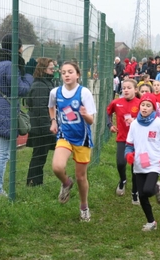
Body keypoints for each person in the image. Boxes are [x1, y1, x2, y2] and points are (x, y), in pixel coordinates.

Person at [48, 61, 96, 222]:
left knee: (81, 177)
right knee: (57, 167)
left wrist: (85, 115)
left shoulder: (84, 93)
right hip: (65, 135)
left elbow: (91, 121)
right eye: (63, 72)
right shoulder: (55, 92)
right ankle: (66, 183)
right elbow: (51, 106)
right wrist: (54, 121)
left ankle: (84, 207)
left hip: (82, 139)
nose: (67, 75)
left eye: (70, 72)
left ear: (78, 74)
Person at [125, 93, 160, 231]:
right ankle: (151, 222)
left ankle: (156, 187)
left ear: (154, 108)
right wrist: (128, 154)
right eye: (143, 105)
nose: (144, 108)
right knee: (142, 195)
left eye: (148, 106)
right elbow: (129, 145)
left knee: (148, 190)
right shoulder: (134, 125)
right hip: (139, 164)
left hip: (155, 164)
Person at [0, 33, 34, 196]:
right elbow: (20, 89)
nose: (22, 49)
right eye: (20, 46)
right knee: (3, 154)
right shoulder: (11, 65)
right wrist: (29, 75)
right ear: (16, 48)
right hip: (6, 112)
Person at [106, 79, 140, 204]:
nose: (125, 90)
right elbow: (108, 112)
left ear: (135, 90)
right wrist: (110, 125)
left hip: (137, 140)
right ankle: (123, 180)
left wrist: (136, 122)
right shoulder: (117, 102)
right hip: (122, 138)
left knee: (135, 167)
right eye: (124, 87)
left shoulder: (141, 103)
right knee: (121, 163)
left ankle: (135, 193)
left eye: (128, 88)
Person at [25, 57, 57, 186]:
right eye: (50, 68)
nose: (53, 70)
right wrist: (47, 129)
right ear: (43, 69)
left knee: (41, 156)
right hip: (40, 128)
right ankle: (33, 182)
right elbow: (41, 110)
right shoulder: (39, 85)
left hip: (44, 126)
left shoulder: (47, 83)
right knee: (38, 156)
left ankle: (36, 181)